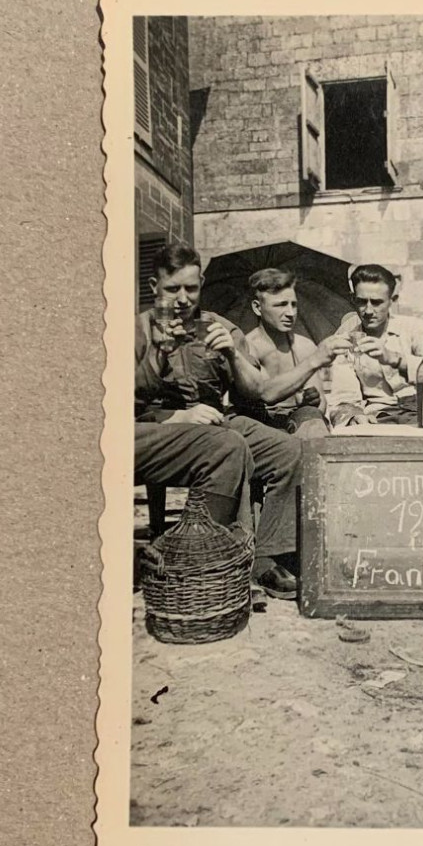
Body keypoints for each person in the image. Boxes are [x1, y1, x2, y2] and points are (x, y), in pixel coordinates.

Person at [135, 243, 349, 599]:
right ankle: (213, 556)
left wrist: (232, 355)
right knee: (227, 445)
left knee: (291, 452)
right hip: (158, 425)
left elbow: (259, 390)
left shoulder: (220, 327)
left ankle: (266, 557)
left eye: (191, 288)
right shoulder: (136, 329)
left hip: (219, 420)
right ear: (155, 287)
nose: (184, 299)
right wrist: (176, 410)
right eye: (173, 289)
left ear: (201, 283)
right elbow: (120, 398)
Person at [326, 264, 423, 427]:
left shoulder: (414, 328)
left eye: (377, 302)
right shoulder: (346, 337)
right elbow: (344, 394)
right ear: (352, 299)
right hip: (378, 417)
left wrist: (396, 359)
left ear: (392, 300)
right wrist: (354, 416)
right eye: (362, 302)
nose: (368, 311)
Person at [238, 268, 330, 439]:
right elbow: (266, 393)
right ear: (258, 308)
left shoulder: (303, 345)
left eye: (293, 304)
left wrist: (312, 401)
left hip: (296, 422)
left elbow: (320, 403)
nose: (290, 313)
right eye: (281, 305)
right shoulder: (247, 346)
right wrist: (313, 362)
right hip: (258, 425)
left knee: (314, 421)